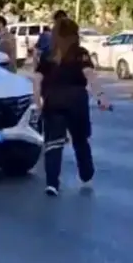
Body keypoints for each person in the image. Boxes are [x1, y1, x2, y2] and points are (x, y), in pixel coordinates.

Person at [33, 16, 97, 196]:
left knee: (53, 143)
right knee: (80, 139)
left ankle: (52, 183)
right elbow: (90, 74)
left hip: (53, 100)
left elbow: (37, 79)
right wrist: (100, 96)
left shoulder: (48, 54)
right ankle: (86, 173)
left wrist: (37, 101)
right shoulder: (80, 53)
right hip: (76, 100)